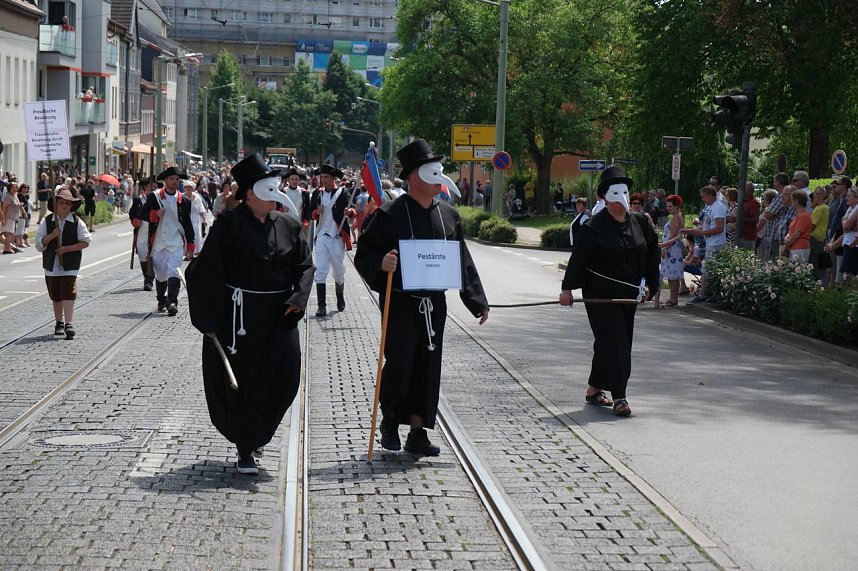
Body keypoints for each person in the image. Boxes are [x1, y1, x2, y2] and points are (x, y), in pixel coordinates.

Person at [355, 139, 489, 455]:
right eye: (432, 171)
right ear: (415, 177)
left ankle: (418, 432)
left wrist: (477, 300)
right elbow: (364, 254)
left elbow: (461, 259)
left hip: (434, 305)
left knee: (428, 365)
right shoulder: (389, 213)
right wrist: (381, 263)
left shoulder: (449, 215)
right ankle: (390, 422)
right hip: (401, 302)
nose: (440, 177)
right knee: (401, 363)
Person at [186, 153, 314, 475]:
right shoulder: (228, 225)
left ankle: (258, 435)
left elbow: (304, 266)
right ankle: (246, 447)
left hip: (281, 316)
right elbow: (205, 271)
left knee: (286, 378)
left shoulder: (288, 224)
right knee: (246, 384)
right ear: (250, 193)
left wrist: (298, 298)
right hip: (240, 321)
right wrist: (208, 319)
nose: (275, 194)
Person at [559, 166, 659, 417]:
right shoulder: (593, 227)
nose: (621, 200)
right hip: (600, 296)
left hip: (629, 295)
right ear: (605, 197)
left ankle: (594, 389)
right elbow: (578, 259)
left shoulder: (640, 223)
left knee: (609, 343)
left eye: (624, 192)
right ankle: (620, 397)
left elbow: (651, 254)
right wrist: (567, 289)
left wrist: (651, 284)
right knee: (617, 344)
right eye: (615, 194)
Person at [34, 188, 91, 339]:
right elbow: (39, 245)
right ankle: (59, 322)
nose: (64, 205)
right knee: (56, 294)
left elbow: (86, 241)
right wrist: (52, 235)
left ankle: (68, 324)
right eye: (61, 203)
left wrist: (66, 249)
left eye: (67, 203)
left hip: (70, 264)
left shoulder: (77, 222)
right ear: (56, 205)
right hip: (51, 264)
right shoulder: (47, 222)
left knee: (68, 291)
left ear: (71, 206)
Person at [141, 166, 195, 315]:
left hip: (176, 243)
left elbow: (187, 225)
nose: (174, 182)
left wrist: (190, 245)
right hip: (158, 244)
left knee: (174, 271)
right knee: (161, 275)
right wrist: (155, 214)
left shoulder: (185, 201)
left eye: (177, 179)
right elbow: (143, 214)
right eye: (171, 179)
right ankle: (161, 300)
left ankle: (172, 302)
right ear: (165, 180)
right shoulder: (154, 197)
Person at [309, 164, 354, 316]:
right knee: (321, 270)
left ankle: (340, 296)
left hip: (337, 236)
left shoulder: (343, 192)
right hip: (322, 235)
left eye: (326, 177)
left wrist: (349, 212)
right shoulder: (317, 193)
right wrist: (316, 211)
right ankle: (321, 306)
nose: (323, 180)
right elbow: (310, 213)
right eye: (322, 177)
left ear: (333, 178)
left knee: (338, 270)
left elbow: (352, 209)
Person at [683, 186, 727, 302]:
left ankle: (703, 295)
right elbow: (706, 224)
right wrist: (691, 231)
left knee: (707, 270)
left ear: (711, 195)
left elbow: (719, 228)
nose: (702, 199)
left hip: (716, 243)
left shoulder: (718, 207)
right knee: (708, 270)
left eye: (704, 196)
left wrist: (701, 232)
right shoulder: (709, 207)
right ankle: (708, 294)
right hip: (710, 243)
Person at [655, 194, 685, 308]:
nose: (668, 208)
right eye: (667, 206)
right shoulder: (676, 216)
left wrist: (664, 248)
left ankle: (673, 299)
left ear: (677, 206)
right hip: (671, 249)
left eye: (670, 206)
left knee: (673, 276)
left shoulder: (676, 217)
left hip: (672, 250)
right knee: (672, 275)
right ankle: (673, 298)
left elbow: (672, 237)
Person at [129, 177, 156, 290]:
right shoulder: (138, 200)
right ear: (145, 187)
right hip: (141, 231)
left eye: (154, 187)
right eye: (151, 186)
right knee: (142, 255)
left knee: (152, 255)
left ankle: (149, 280)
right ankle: (147, 276)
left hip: (154, 231)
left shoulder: (158, 199)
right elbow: (132, 214)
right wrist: (135, 220)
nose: (153, 188)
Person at [782, 189, 812, 262]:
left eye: (792, 199)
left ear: (797, 201)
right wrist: (786, 237)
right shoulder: (798, 215)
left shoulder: (804, 216)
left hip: (800, 247)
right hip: (794, 247)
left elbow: (797, 234)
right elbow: (792, 231)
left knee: (797, 268)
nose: (791, 201)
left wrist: (788, 242)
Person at [182, 179, 206, 258]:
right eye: (187, 188)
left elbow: (201, 209)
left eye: (190, 188)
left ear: (192, 189)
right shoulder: (181, 196)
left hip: (195, 220)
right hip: (185, 219)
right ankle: (187, 253)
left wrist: (204, 220)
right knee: (185, 236)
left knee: (196, 236)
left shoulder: (197, 197)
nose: (188, 189)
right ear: (184, 188)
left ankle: (196, 252)